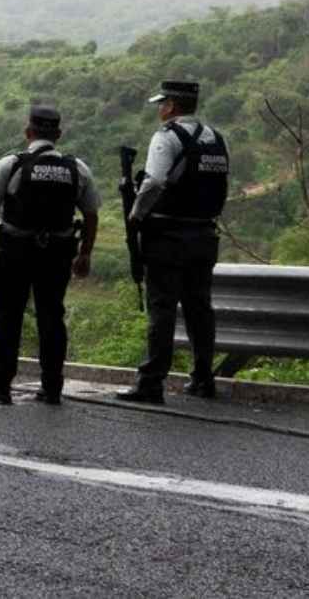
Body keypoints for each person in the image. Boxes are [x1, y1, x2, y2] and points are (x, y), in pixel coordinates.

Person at [0, 102, 101, 405]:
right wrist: (84, 254)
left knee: (8, 318)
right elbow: (91, 215)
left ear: (27, 131)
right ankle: (52, 387)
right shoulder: (77, 168)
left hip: (14, 252)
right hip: (57, 254)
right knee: (52, 317)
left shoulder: (11, 164)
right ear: (58, 134)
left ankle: (0, 387)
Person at [118, 80, 230, 404]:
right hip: (204, 236)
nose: (160, 109)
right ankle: (203, 378)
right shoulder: (215, 138)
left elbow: (154, 182)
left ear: (171, 106)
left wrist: (135, 215)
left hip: (168, 238)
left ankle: (151, 382)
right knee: (199, 308)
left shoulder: (166, 138)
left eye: (162, 103)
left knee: (162, 308)